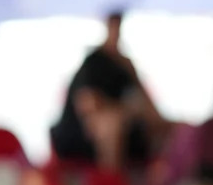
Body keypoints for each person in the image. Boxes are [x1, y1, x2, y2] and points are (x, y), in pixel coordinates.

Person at [51, 11, 161, 175]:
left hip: (127, 124)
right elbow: (87, 103)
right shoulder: (93, 63)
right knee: (111, 125)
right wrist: (121, 111)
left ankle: (158, 179)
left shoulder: (124, 64)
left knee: (160, 125)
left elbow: (144, 101)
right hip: (80, 133)